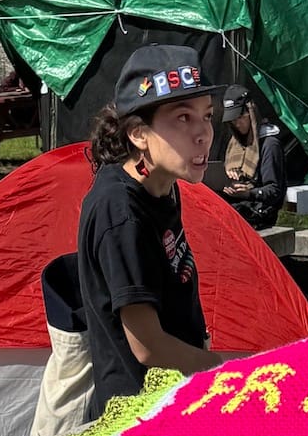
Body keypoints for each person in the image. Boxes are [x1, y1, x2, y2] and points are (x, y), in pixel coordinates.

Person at [76, 45, 220, 416]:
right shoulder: (120, 213)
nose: (203, 133)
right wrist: (224, 369)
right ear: (139, 134)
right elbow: (148, 346)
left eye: (207, 115)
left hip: (177, 392)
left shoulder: (161, 184)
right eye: (183, 118)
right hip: (138, 412)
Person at [215, 96, 285, 230]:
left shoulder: (269, 145)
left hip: (259, 210)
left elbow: (274, 191)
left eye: (240, 118)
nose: (237, 124)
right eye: (233, 120)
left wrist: (249, 193)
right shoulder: (234, 144)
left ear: (252, 115)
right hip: (237, 203)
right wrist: (228, 181)